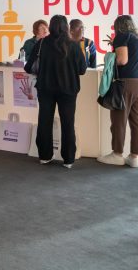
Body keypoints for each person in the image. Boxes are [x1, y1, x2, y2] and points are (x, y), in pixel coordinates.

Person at [25, 15, 87, 169]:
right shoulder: (73, 45)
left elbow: (28, 67)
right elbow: (82, 70)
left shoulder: (41, 43)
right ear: (66, 27)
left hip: (45, 89)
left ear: (50, 26)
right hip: (68, 90)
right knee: (68, 123)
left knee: (45, 121)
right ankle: (68, 159)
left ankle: (45, 156)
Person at [97, 15, 138, 169]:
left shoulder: (122, 36)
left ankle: (117, 154)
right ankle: (134, 157)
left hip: (128, 82)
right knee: (137, 120)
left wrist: (111, 55)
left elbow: (122, 60)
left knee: (119, 118)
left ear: (117, 26)